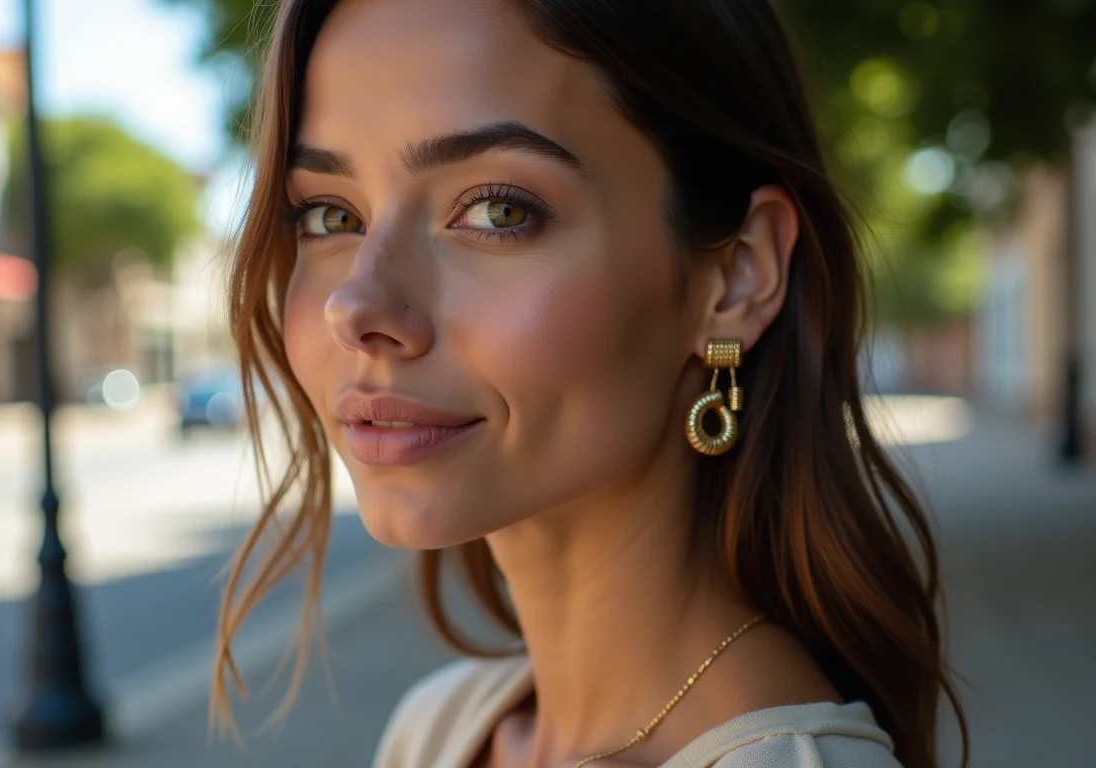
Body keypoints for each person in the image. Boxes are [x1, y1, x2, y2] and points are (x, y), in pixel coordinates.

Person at [210, 0, 968, 766]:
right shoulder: (436, 731)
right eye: (330, 216)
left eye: (498, 209)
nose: (357, 305)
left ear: (737, 277)